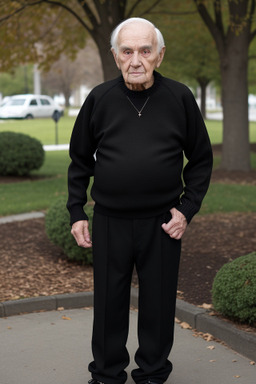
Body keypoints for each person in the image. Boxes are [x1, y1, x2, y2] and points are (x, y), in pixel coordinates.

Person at [67, 17, 213, 384]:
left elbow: (200, 160)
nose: (136, 60)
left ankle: (152, 374)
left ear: (159, 55)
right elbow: (80, 160)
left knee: (159, 305)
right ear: (115, 56)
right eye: (127, 51)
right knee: (108, 304)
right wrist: (76, 212)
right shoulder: (99, 98)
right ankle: (106, 375)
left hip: (162, 222)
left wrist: (186, 209)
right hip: (110, 220)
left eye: (145, 50)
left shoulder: (179, 97)